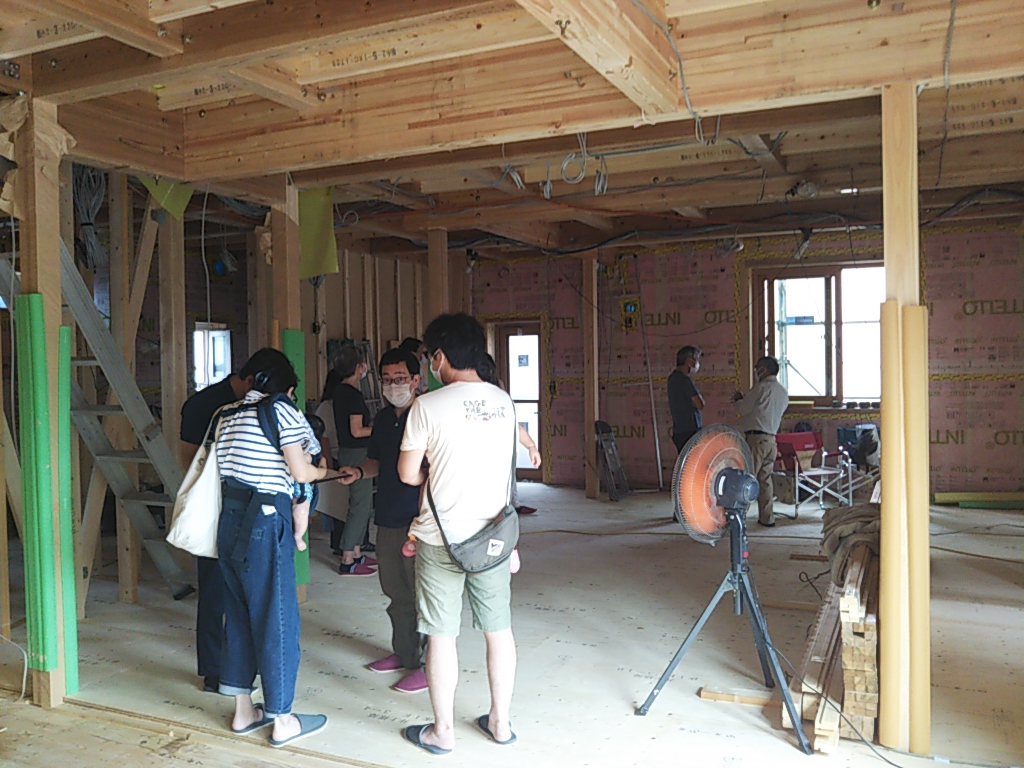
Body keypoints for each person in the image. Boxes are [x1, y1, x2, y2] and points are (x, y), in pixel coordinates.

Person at [397, 313, 519, 755]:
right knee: (498, 630)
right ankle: (500, 723)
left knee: (441, 635)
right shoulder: (504, 402)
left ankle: (442, 731)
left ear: (440, 356)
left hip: (440, 538)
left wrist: (434, 470)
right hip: (494, 539)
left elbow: (408, 474)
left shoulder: (427, 407)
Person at [213, 348, 329, 747]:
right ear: (287, 388)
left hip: (229, 521)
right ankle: (282, 719)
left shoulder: (226, 414)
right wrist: (324, 471)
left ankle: (243, 712)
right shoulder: (280, 409)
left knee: (238, 614)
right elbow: (300, 471)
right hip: (264, 521)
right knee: (277, 618)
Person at [179, 347, 280, 694]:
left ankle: (233, 667)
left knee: (237, 591)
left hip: (247, 507)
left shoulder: (253, 405)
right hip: (219, 505)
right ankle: (214, 670)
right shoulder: (207, 406)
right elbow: (191, 461)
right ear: (252, 379)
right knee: (216, 591)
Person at [338, 349, 428, 694]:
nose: (393, 386)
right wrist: (359, 472)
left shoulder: (427, 415)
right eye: (387, 380)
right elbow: (376, 460)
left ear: (416, 380)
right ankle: (405, 653)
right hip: (388, 517)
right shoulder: (384, 418)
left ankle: (428, 666)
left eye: (400, 378)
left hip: (420, 521)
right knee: (396, 592)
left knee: (425, 596)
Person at [332, 344, 377, 576]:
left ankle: (357, 553)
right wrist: (380, 427)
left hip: (349, 451)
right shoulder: (352, 394)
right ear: (359, 367)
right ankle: (348, 558)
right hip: (357, 454)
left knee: (363, 505)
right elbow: (357, 431)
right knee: (359, 507)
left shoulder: (340, 391)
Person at [733, 355, 789, 527]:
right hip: (771, 441)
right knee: (765, 481)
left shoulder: (760, 388)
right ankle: (767, 518)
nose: (756, 371)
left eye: (758, 368)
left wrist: (739, 400)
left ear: (763, 370)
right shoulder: (783, 392)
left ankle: (738, 518)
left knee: (746, 479)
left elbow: (743, 409)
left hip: (756, 440)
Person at [668, 345, 705, 452]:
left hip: (680, 430)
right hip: (689, 431)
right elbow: (700, 404)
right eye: (696, 360)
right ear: (688, 361)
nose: (697, 364)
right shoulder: (684, 380)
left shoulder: (673, 378)